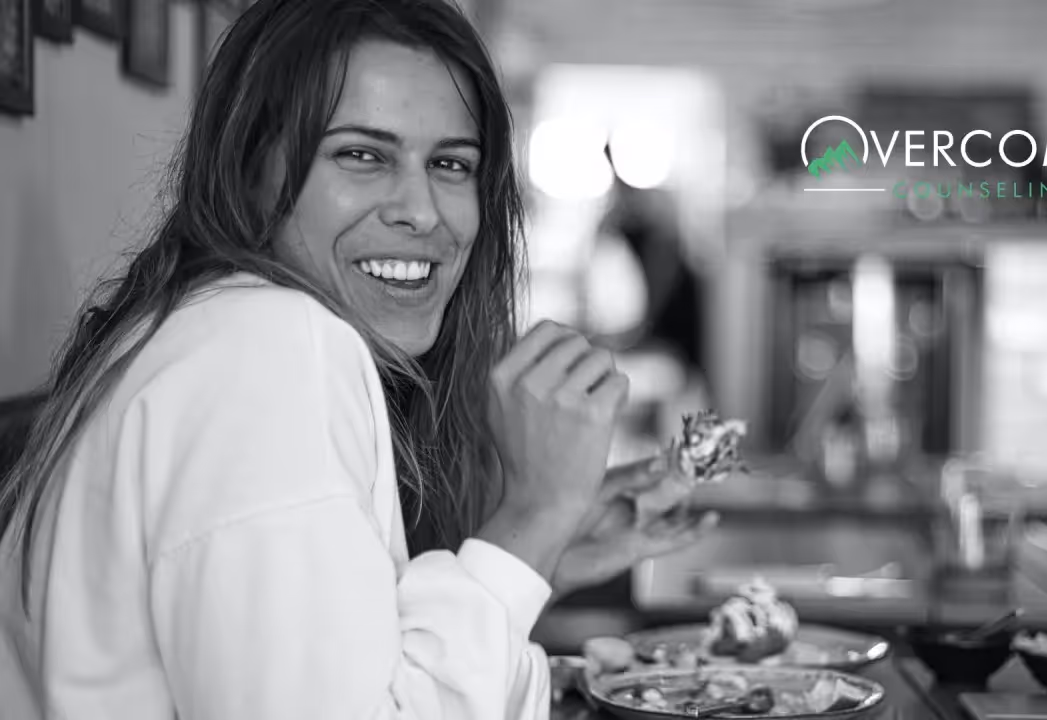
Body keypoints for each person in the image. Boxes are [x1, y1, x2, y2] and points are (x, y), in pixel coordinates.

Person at [0, 1, 716, 718]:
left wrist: (538, 558)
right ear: (251, 167)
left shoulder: (211, 328)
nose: (422, 211)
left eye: (450, 164)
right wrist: (533, 514)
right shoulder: (268, 346)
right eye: (361, 155)